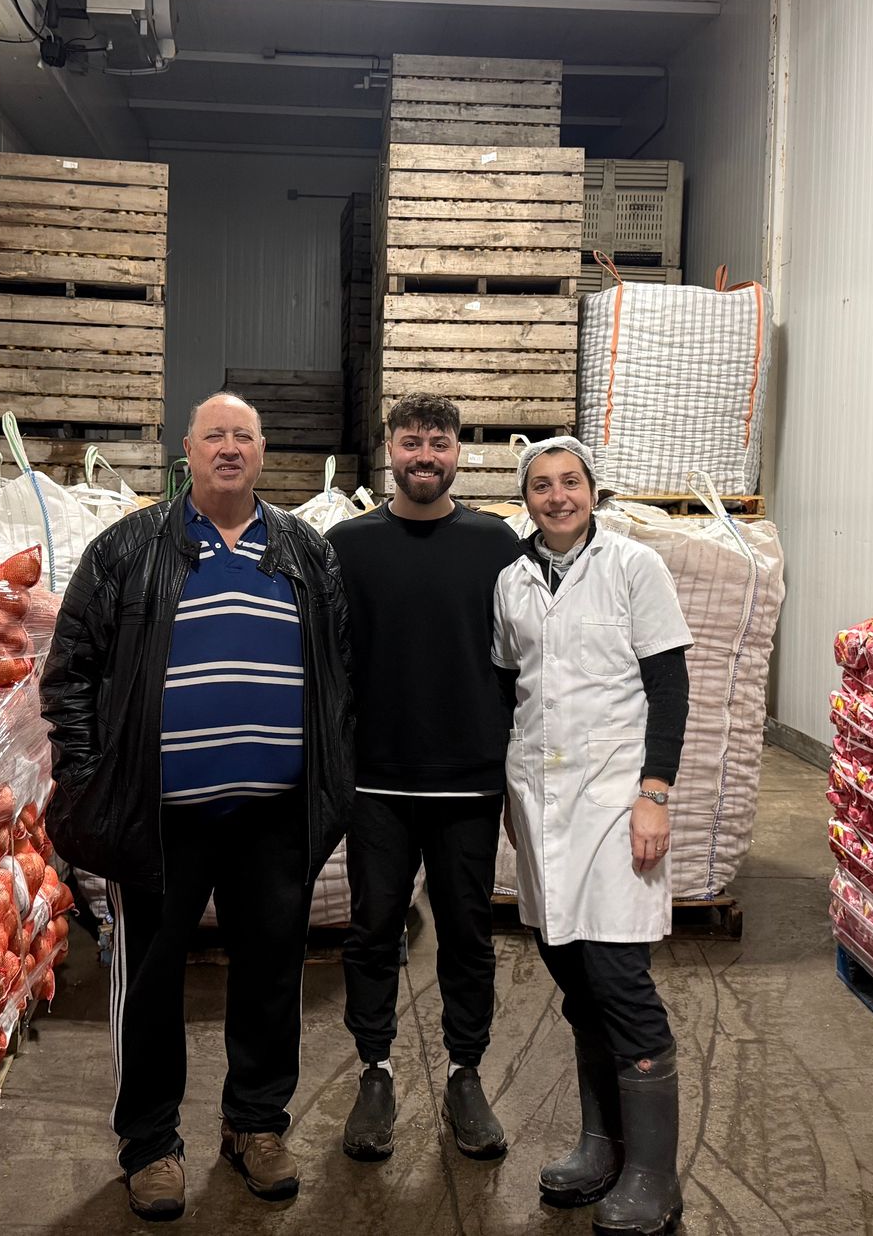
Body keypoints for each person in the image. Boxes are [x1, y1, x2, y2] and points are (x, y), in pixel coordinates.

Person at [39, 392, 353, 1221]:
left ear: (263, 452)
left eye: (243, 435)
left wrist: (335, 777)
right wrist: (90, 781)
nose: (229, 448)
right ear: (188, 448)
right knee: (149, 984)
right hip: (161, 819)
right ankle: (150, 1145)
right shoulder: (128, 549)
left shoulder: (305, 553)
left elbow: (340, 676)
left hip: (274, 817)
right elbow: (70, 675)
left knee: (272, 977)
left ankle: (257, 1125)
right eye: (215, 434)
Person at [492, 436, 691, 1236]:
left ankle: (653, 1176)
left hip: (615, 798)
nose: (557, 496)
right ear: (526, 499)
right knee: (571, 974)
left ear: (592, 490)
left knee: (618, 978)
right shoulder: (511, 580)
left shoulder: (634, 567)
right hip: (541, 800)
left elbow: (669, 685)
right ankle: (602, 1145)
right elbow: (510, 685)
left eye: (570, 481)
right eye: (541, 485)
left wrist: (655, 793)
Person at [326, 393, 521, 1162]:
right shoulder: (348, 545)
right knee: (373, 930)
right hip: (378, 781)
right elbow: (329, 662)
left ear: (458, 454)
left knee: (468, 936)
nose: (425, 456)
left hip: (468, 781)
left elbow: (523, 656)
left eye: (439, 442)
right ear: (390, 450)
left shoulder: (495, 543)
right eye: (412, 442)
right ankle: (375, 1072)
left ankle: (466, 1074)